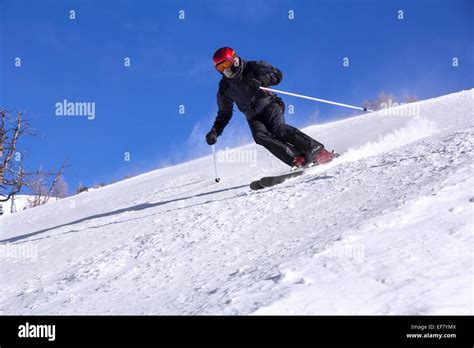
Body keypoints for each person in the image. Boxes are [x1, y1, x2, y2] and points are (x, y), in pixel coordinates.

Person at [206, 47, 335, 169]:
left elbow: (277, 74)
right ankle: (298, 158)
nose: (225, 70)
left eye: (226, 65)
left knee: (278, 129)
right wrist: (215, 131)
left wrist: (262, 80)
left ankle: (318, 151)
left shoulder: (252, 67)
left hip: (269, 104)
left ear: (234, 60)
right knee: (259, 136)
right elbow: (225, 113)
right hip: (252, 116)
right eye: (220, 67)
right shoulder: (224, 87)